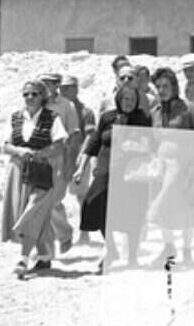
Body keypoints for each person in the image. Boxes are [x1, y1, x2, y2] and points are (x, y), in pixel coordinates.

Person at [74, 85, 151, 273]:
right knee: (93, 203)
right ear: (118, 99)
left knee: (132, 211)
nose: (129, 102)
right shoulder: (107, 117)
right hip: (106, 169)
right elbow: (94, 143)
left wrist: (135, 146)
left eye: (132, 99)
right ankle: (112, 248)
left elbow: (150, 144)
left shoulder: (142, 118)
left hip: (131, 172)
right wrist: (81, 168)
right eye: (125, 98)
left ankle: (132, 256)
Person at [0, 80, 68, 278]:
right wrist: (20, 151)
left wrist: (39, 154)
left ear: (42, 96)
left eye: (34, 94)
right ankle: (44, 255)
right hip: (18, 171)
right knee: (34, 213)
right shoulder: (15, 118)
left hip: (42, 171)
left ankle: (23, 258)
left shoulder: (52, 118)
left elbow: (60, 144)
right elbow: (4, 145)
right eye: (26, 94)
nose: (29, 98)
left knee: (33, 211)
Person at [148, 68, 194, 264]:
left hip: (186, 165)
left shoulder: (189, 108)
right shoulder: (155, 112)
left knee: (188, 206)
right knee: (162, 205)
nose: (162, 90)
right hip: (163, 166)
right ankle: (168, 246)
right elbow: (152, 141)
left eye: (166, 86)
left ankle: (187, 250)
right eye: (158, 87)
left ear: (174, 87)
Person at [37, 73, 79, 257]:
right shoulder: (36, 103)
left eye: (48, 84)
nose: (44, 87)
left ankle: (64, 233)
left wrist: (70, 163)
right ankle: (46, 249)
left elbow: (73, 135)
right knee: (39, 202)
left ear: (56, 86)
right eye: (42, 83)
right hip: (39, 158)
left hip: (59, 158)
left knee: (53, 201)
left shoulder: (67, 106)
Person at [59, 75, 96, 245]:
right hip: (61, 157)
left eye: (67, 88)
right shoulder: (58, 110)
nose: (63, 91)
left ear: (75, 89)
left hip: (77, 157)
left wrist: (83, 154)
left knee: (81, 196)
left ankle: (85, 233)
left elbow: (89, 135)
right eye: (62, 88)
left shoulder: (85, 112)